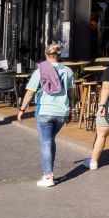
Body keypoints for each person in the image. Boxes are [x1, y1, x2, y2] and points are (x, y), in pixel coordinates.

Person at [17, 43, 76, 188]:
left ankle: (48, 175)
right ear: (59, 56)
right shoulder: (68, 71)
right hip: (62, 112)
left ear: (45, 55)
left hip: (45, 111)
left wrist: (22, 109)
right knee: (50, 140)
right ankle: (49, 172)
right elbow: (72, 93)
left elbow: (30, 92)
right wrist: (71, 110)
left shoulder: (40, 71)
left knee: (45, 142)